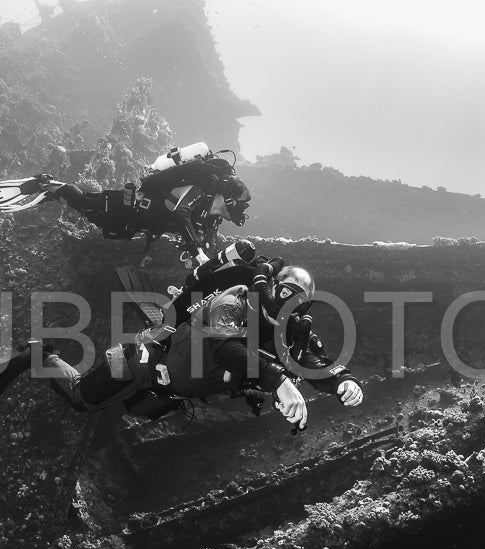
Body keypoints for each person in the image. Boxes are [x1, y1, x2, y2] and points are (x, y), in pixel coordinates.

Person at [40, 262, 363, 430]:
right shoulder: (236, 298)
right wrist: (278, 381)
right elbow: (224, 344)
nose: (288, 301)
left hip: (170, 388)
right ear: (273, 285)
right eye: (285, 291)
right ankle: (38, 354)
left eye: (299, 299)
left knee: (130, 411)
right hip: (139, 362)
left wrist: (342, 380)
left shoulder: (290, 333)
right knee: (82, 400)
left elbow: (310, 358)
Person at [26, 147, 251, 263]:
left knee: (96, 219)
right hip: (134, 206)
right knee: (86, 205)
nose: (235, 215)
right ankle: (47, 184)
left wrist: (203, 257)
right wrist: (196, 250)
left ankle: (56, 194)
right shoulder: (204, 186)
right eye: (237, 208)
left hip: (137, 221)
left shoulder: (211, 215)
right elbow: (180, 212)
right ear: (228, 198)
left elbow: (209, 246)